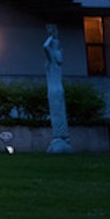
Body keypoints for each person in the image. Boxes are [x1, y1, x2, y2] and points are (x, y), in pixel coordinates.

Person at [43, 24, 73, 153]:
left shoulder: (54, 56)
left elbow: (45, 46)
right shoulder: (55, 58)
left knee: (58, 113)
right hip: (55, 89)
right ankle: (60, 136)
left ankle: (61, 137)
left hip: (55, 90)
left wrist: (51, 36)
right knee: (57, 113)